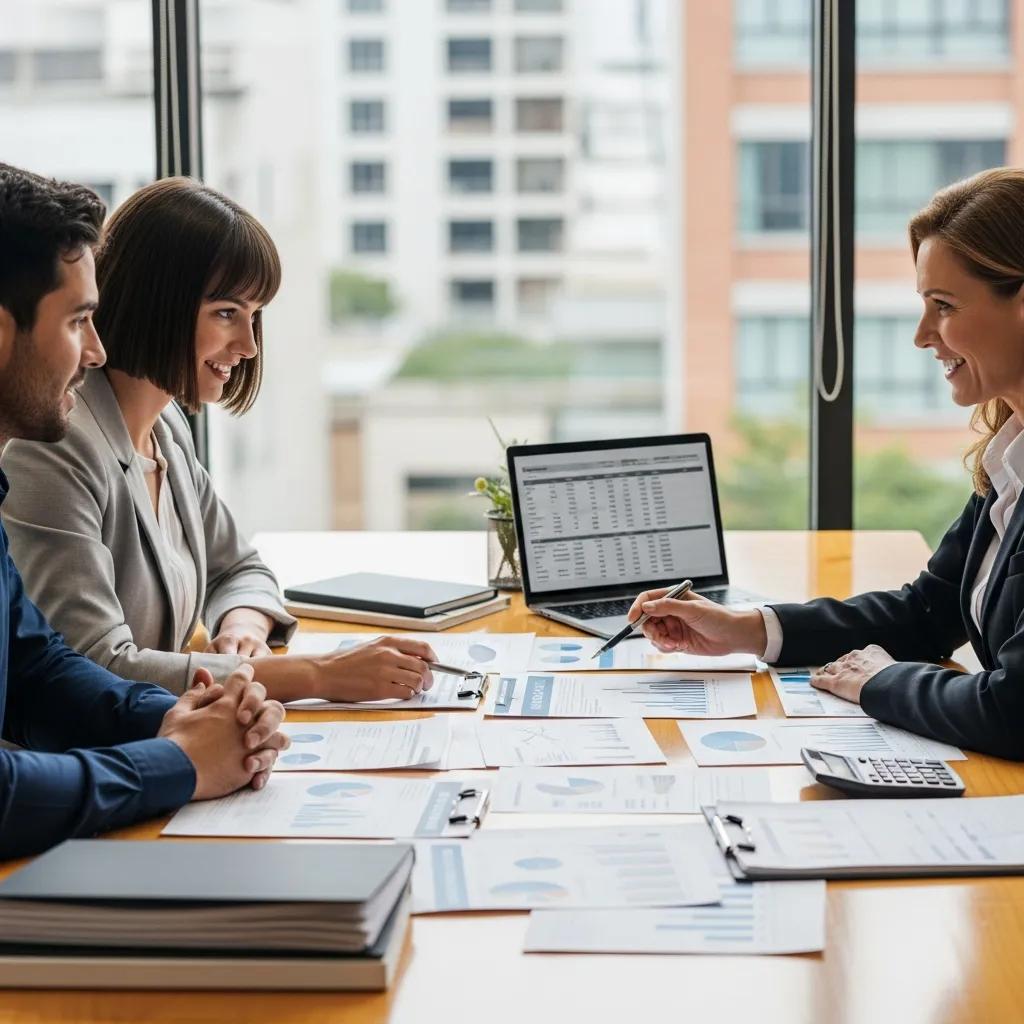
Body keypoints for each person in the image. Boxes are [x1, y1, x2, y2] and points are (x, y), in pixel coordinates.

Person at [629, 167, 1024, 762]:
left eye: (943, 306)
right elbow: (926, 612)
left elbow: (1012, 710)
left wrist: (876, 683)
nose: (922, 336)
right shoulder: (1009, 457)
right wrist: (745, 629)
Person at [0, 176, 435, 705]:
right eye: (227, 313)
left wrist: (242, 626)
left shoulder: (165, 427)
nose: (249, 345)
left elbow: (238, 567)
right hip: (89, 762)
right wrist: (317, 676)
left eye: (254, 317)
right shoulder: (56, 446)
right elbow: (98, 665)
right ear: (155, 303)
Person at [0, 163, 289, 859]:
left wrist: (190, 718)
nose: (97, 350)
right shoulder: (57, 449)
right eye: (77, 322)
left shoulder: (162, 430)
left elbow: (35, 666)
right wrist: (181, 760)